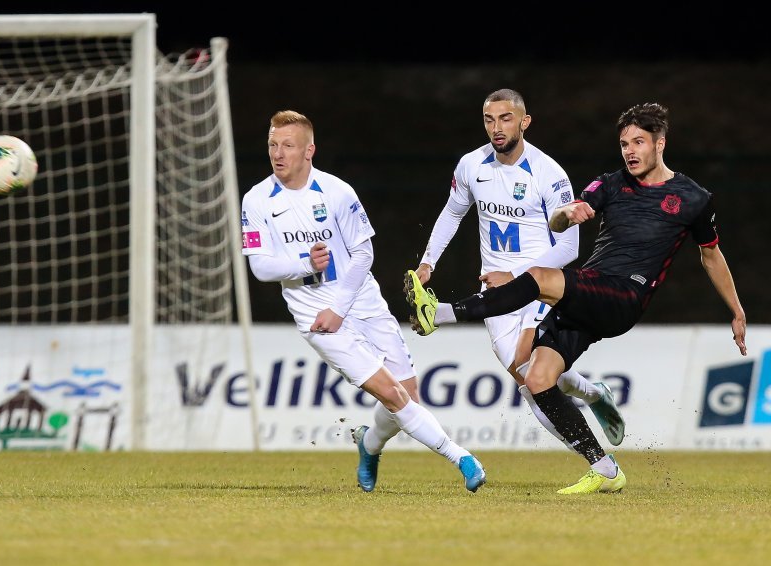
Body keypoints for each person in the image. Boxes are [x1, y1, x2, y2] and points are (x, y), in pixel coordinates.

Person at [405, 102, 747, 494]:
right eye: (623, 144)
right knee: (536, 379)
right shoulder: (611, 184)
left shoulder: (693, 198)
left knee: (536, 278)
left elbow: (711, 255)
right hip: (590, 292)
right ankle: (604, 468)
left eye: (638, 142)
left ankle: (445, 312)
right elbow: (559, 221)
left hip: (625, 295)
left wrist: (736, 311)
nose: (630, 151)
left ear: (660, 144)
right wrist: (568, 214)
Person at [242, 109, 486, 493]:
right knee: (392, 393)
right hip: (315, 316)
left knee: (408, 396)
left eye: (287, 145)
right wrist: (302, 264)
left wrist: (340, 307)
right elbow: (259, 267)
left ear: (309, 150)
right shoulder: (256, 200)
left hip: (360, 301)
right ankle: (463, 458)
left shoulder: (338, 192)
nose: (278, 153)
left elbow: (363, 254)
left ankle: (368, 444)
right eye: (273, 144)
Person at [409, 88, 625, 451]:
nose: (497, 127)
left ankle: (600, 464)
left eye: (506, 119)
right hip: (496, 293)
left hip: (540, 284)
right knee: (527, 382)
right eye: (489, 120)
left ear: (524, 122)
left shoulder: (549, 174)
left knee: (531, 367)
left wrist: (517, 276)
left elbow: (569, 247)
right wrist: (428, 261)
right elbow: (452, 212)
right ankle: (593, 393)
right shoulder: (471, 166)